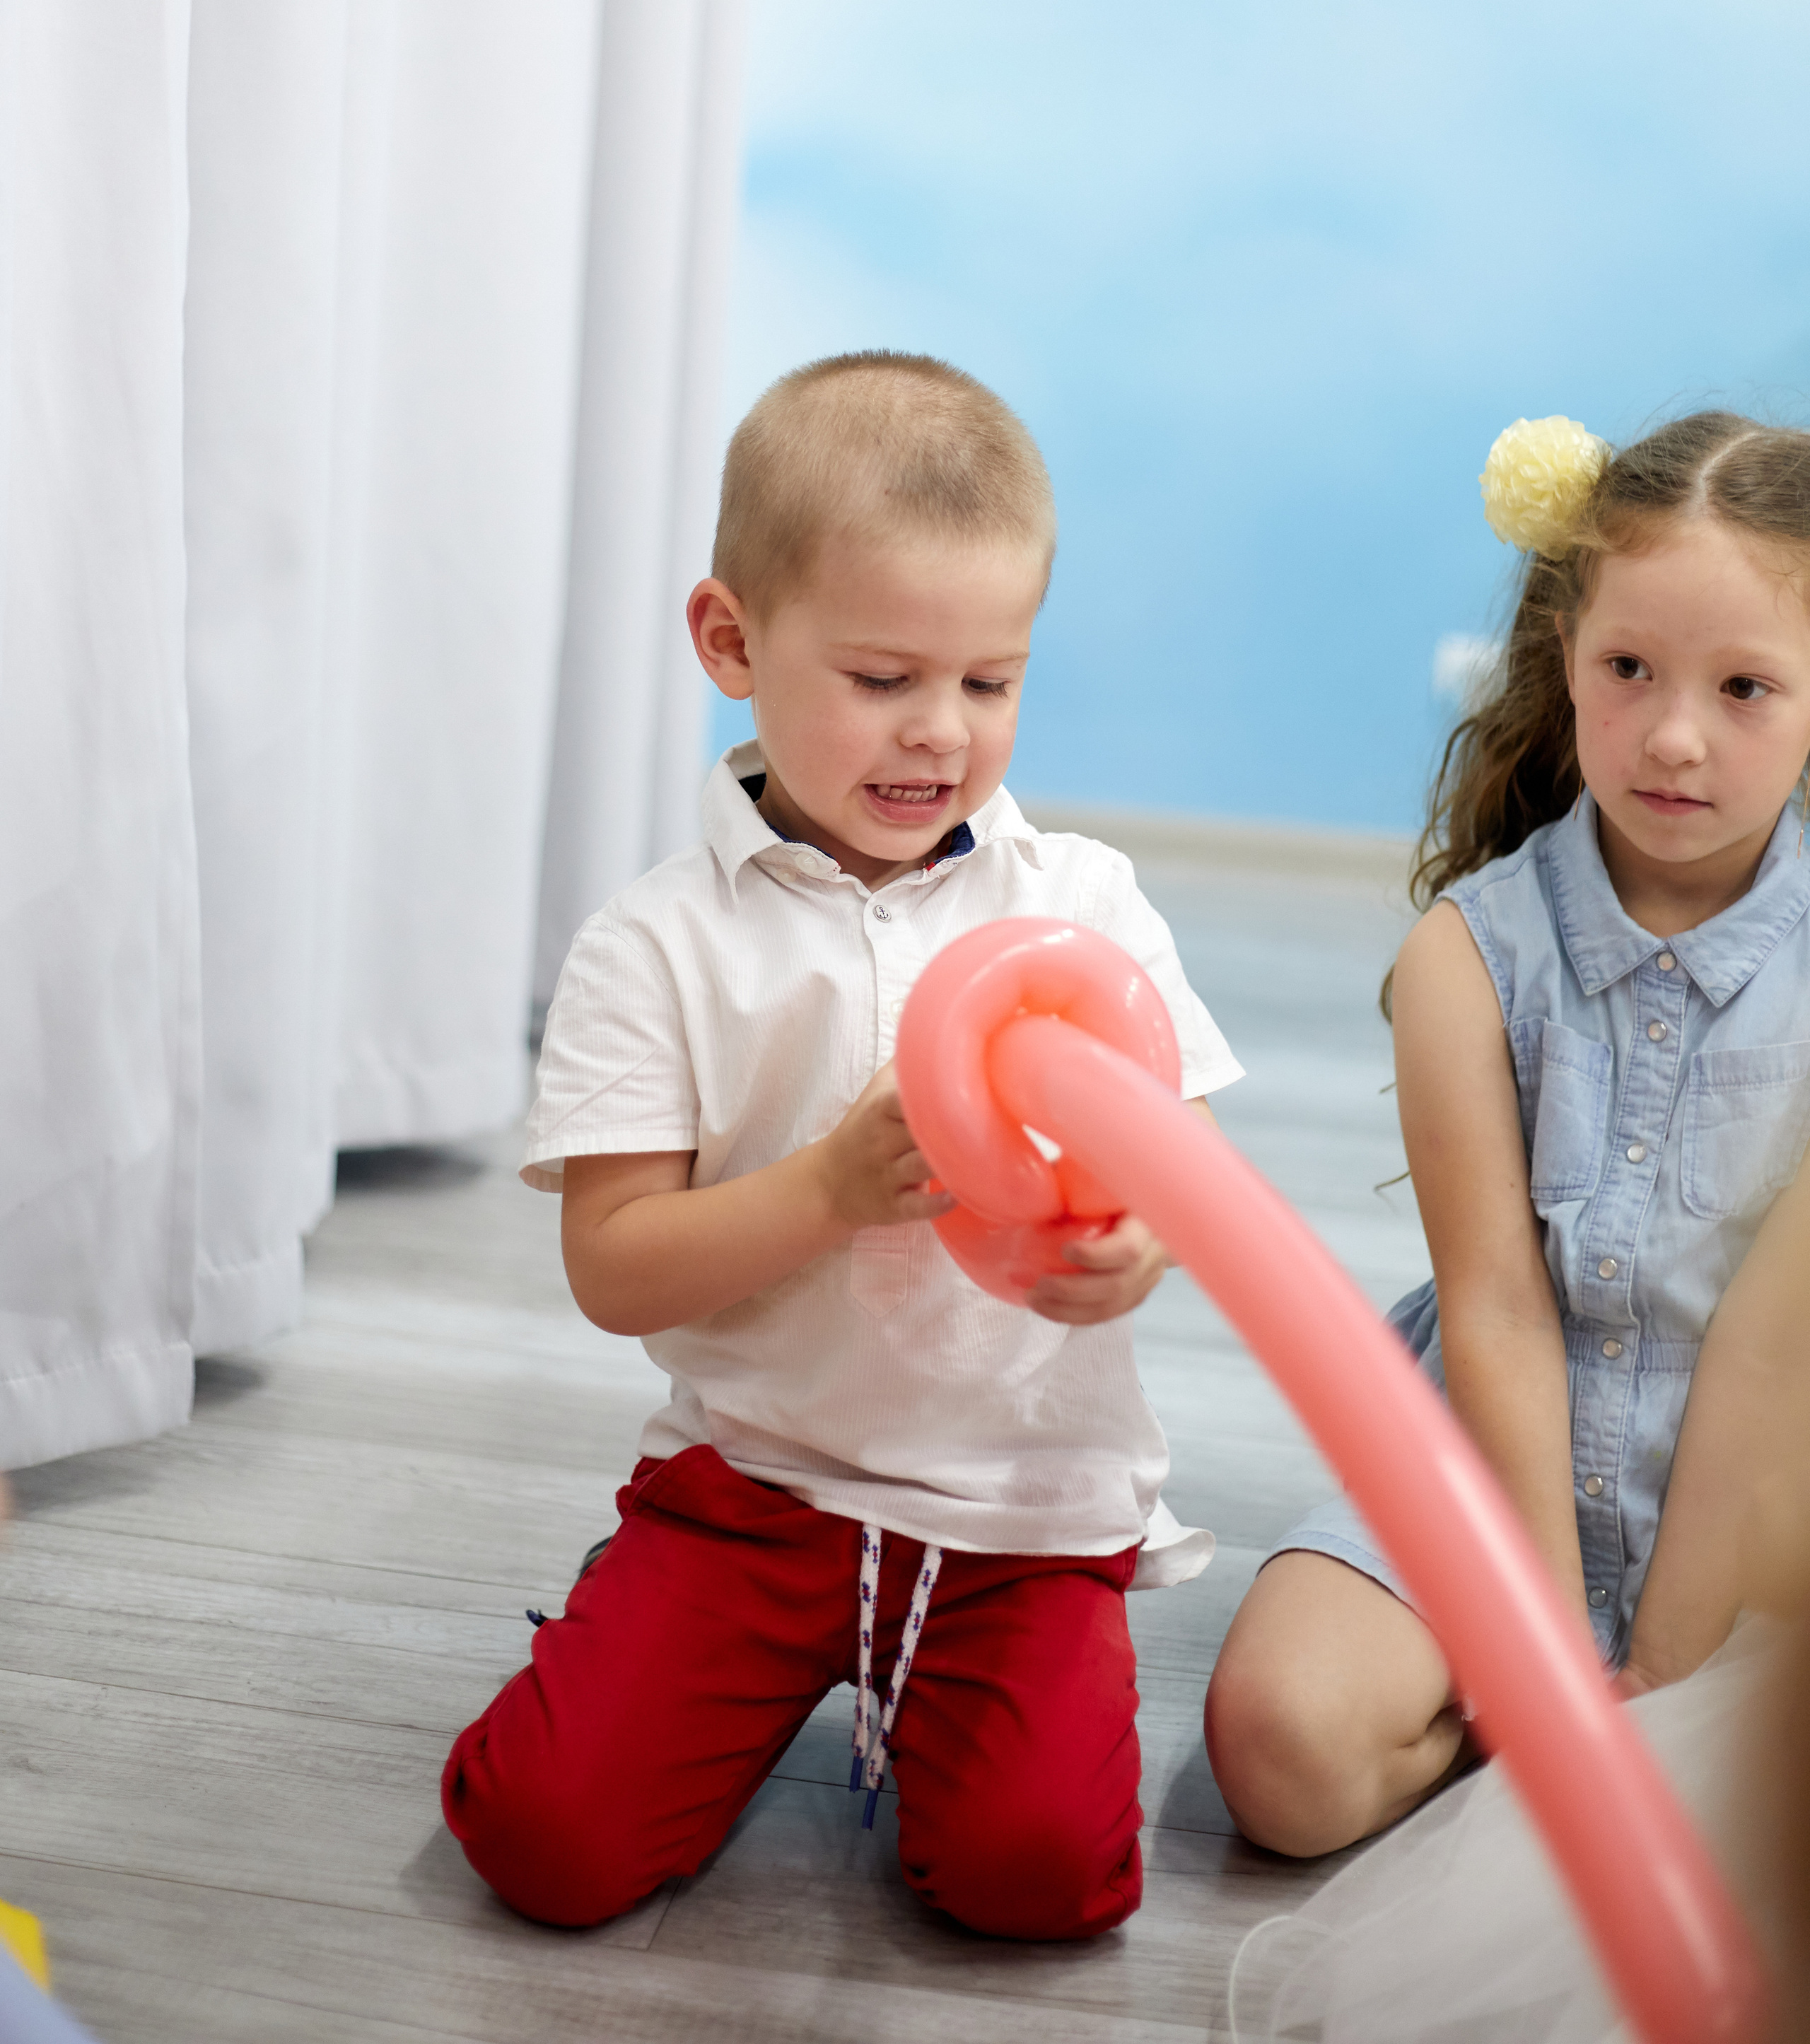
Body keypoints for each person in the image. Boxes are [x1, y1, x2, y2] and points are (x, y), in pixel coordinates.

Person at [440, 351, 1244, 1939]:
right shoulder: (655, 943)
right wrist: (820, 1190)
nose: (938, 734)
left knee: (1038, 1884)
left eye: (989, 682)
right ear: (730, 642)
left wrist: (1136, 1244)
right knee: (543, 1844)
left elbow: (1187, 1179)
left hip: (1019, 1517)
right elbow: (611, 1270)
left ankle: (1000, 1693)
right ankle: (662, 1667)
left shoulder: (1075, 904)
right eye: (882, 678)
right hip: (754, 1492)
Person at [1205, 409, 1810, 1857]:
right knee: (1279, 1750)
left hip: (1761, 1468)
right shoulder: (1464, 957)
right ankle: (1509, 1714)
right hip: (1495, 1446)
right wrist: (1541, 1648)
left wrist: (1665, 1658)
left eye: (1743, 688)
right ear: (1562, 661)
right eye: (1627, 671)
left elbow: (1768, 1351)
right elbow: (1492, 1308)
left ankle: (1632, 1710)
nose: (1672, 735)